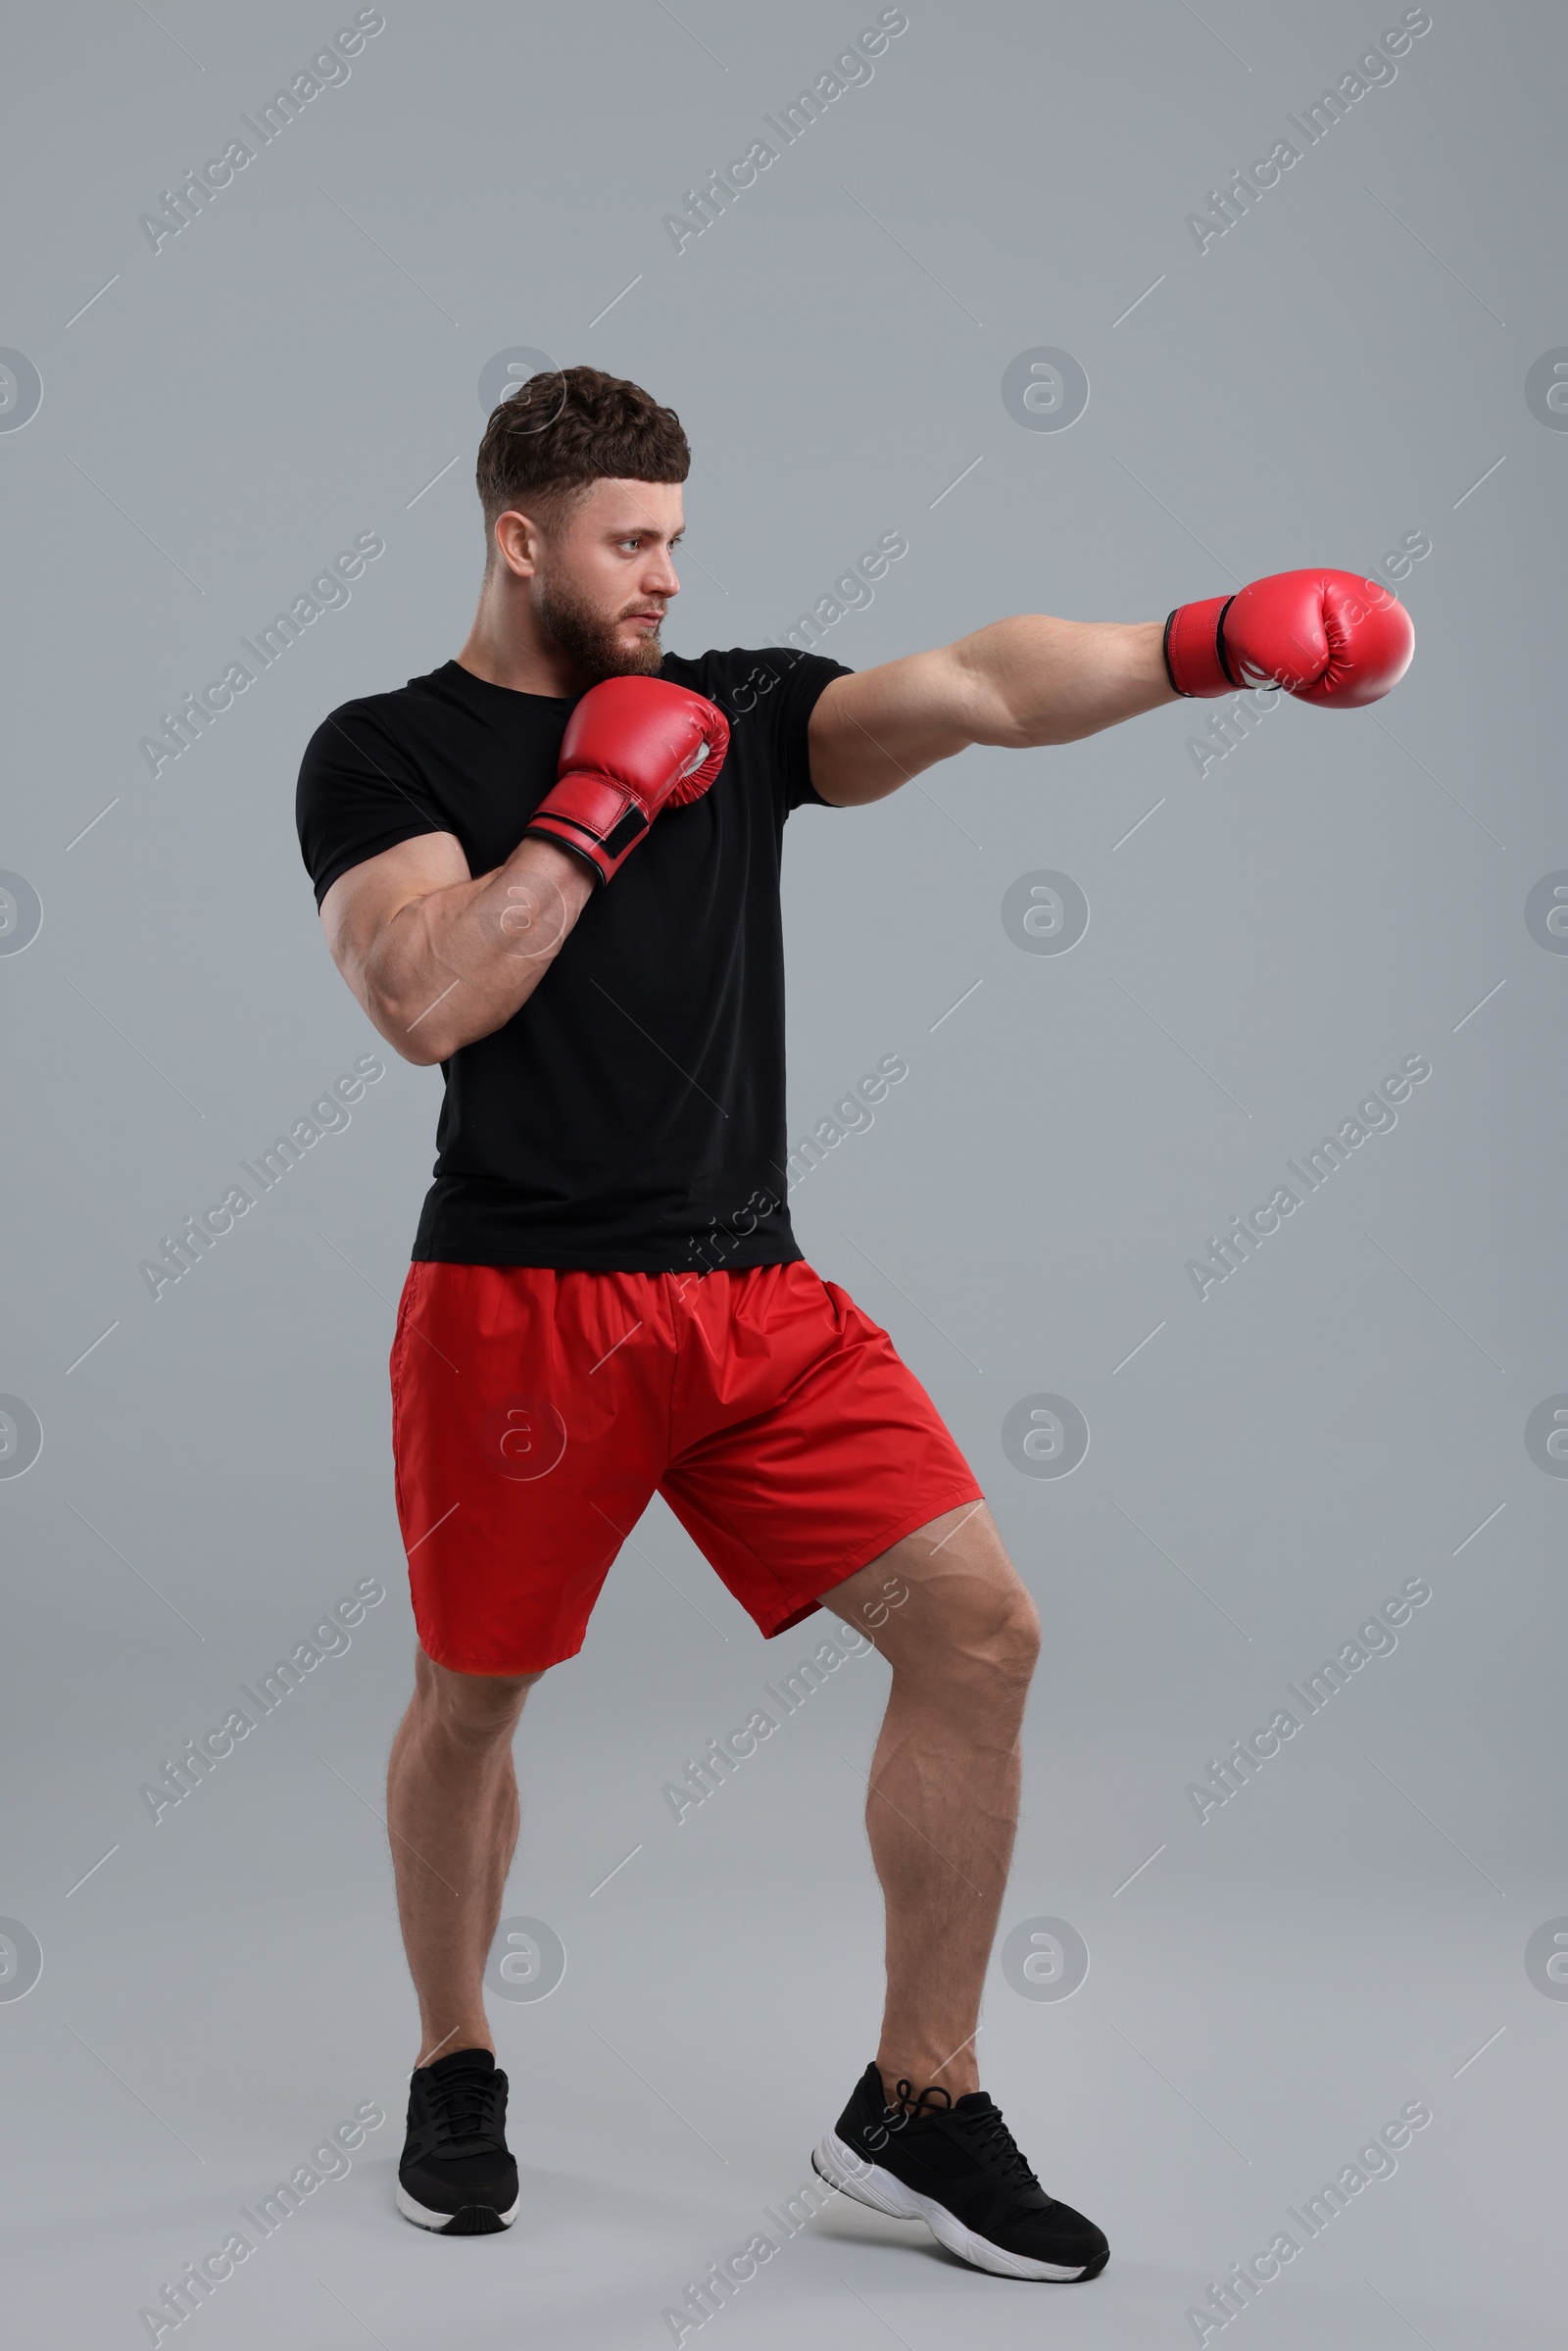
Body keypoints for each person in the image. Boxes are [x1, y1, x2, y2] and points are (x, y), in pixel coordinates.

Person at [294, 364, 1412, 2277]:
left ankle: (915, 2105)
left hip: (749, 1298)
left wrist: (1205, 645)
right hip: (520, 1311)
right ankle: (454, 2058)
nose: (658, 575)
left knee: (976, 1631)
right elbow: (422, 999)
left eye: (674, 541)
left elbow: (975, 684)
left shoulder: (732, 707)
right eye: (625, 543)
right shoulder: (382, 751)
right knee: (473, 1702)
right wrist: (582, 818)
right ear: (517, 539)